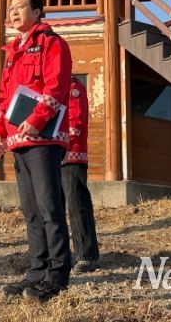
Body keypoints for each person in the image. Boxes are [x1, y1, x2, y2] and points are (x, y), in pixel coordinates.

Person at [0, 0, 73, 301]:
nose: (13, 12)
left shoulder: (52, 43)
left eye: (20, 6)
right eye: (10, 8)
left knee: (49, 207)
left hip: (43, 139)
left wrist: (37, 120)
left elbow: (56, 87)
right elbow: (3, 99)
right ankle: (37, 272)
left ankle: (57, 276)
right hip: (17, 142)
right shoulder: (12, 53)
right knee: (31, 211)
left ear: (37, 12)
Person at [62, 75, 100, 273]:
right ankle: (62, 254)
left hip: (72, 155)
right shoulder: (54, 88)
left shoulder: (73, 87)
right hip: (55, 155)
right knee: (56, 208)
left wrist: (63, 143)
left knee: (77, 204)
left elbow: (75, 121)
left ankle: (86, 254)